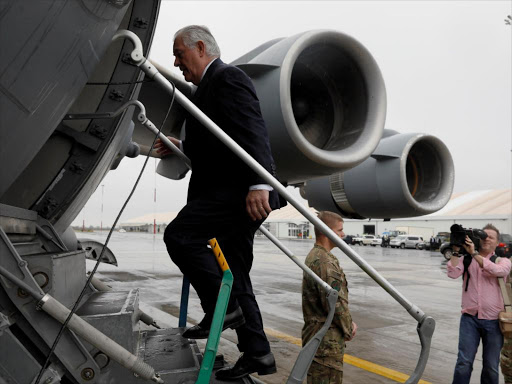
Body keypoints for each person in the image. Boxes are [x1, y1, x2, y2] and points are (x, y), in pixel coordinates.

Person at [155, 25, 284, 379]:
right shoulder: (205, 89)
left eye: (179, 53)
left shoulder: (228, 78)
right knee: (236, 273)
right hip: (233, 192)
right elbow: (216, 146)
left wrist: (260, 182)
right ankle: (258, 353)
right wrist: (180, 146)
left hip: (239, 192)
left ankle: (221, 311)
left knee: (180, 236)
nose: (176, 61)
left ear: (200, 47)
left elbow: (251, 128)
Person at [447, 223, 511, 384]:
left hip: (494, 321)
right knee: (464, 362)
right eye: (483, 235)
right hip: (470, 319)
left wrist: (475, 254)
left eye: (491, 237)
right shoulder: (467, 259)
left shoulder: (502, 261)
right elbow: (452, 273)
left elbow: (499, 271)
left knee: (491, 366)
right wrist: (456, 251)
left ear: (497, 243)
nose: (486, 239)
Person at [302, 211, 357, 383]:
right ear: (326, 232)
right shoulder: (325, 262)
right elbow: (334, 304)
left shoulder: (317, 256)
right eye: (339, 230)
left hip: (319, 339)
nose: (343, 234)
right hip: (326, 343)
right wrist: (349, 328)